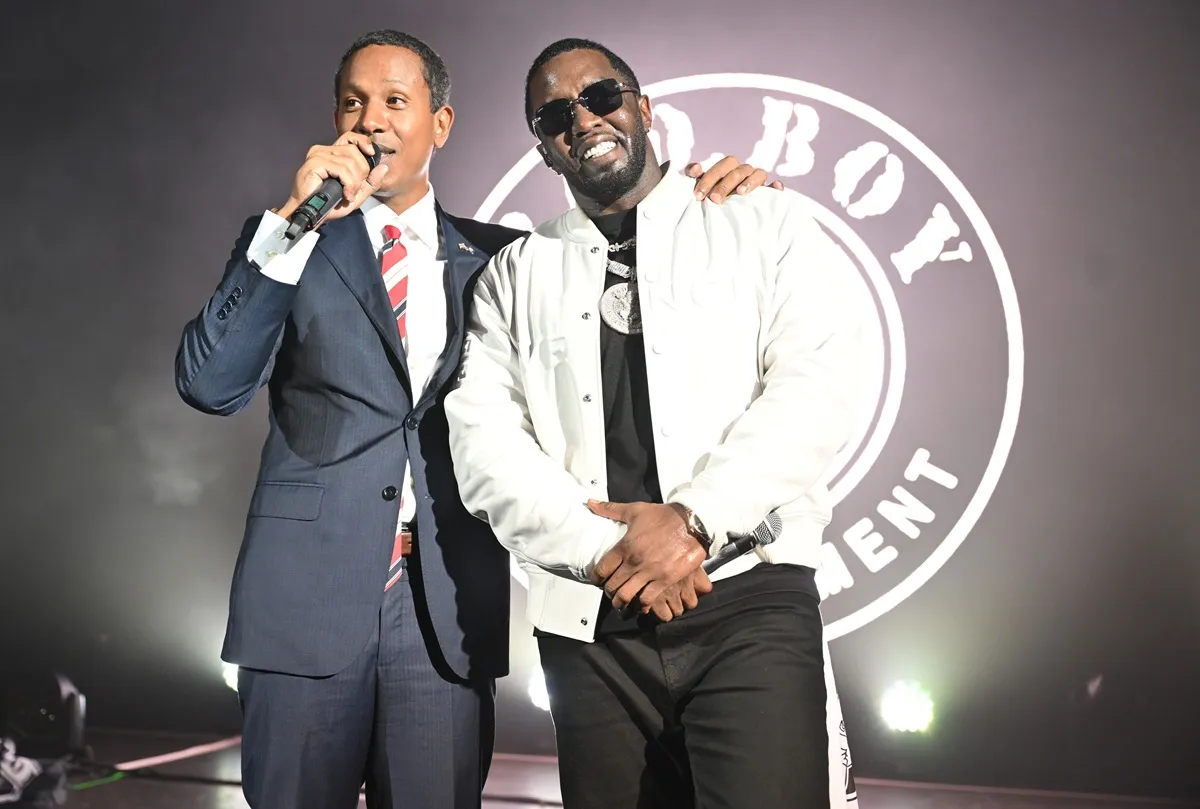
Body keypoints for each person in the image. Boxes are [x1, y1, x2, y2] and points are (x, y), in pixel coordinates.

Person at [174, 28, 778, 809]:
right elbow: (209, 381)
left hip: (445, 614)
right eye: (354, 103)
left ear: (441, 123)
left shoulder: (507, 260)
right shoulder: (294, 243)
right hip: (302, 606)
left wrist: (711, 195)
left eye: (396, 100)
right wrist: (293, 219)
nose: (373, 121)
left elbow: (633, 246)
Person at [444, 37, 865, 809]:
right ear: (544, 148)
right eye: (556, 113)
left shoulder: (760, 219)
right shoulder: (514, 273)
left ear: (644, 109)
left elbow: (818, 386)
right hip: (591, 625)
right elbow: (485, 449)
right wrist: (616, 552)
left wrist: (693, 522)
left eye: (601, 96)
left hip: (748, 597)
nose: (584, 118)